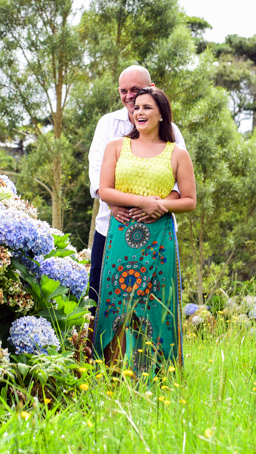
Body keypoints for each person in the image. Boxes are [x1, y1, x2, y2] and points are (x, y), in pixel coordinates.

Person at [91, 87, 196, 372]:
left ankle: (156, 379)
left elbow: (189, 201)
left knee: (155, 308)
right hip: (120, 238)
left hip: (159, 240)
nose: (139, 112)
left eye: (147, 107)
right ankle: (106, 379)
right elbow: (104, 190)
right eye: (136, 107)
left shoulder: (178, 154)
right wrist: (142, 202)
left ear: (162, 114)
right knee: (114, 307)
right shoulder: (116, 146)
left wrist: (159, 206)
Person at [87, 66, 185, 313]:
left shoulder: (172, 132)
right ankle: (96, 353)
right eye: (123, 91)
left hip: (157, 231)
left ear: (152, 88)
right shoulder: (108, 125)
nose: (129, 96)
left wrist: (154, 207)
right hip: (110, 228)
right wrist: (113, 202)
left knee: (154, 307)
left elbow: (179, 187)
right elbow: (98, 178)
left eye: (135, 90)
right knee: (100, 304)